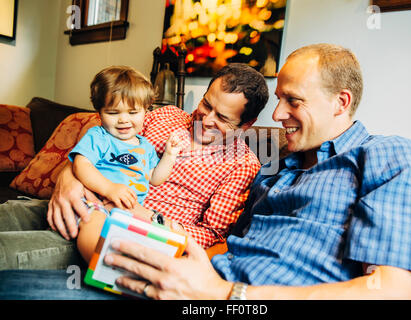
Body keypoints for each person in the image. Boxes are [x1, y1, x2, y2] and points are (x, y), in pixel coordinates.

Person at [84, 44, 411, 299]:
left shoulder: (389, 156)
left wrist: (223, 294)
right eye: (279, 100)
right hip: (190, 283)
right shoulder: (275, 171)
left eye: (293, 100)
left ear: (341, 102)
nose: (277, 115)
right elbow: (223, 243)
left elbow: (397, 292)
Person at [0, 63, 268, 270]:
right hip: (84, 198)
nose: (205, 119)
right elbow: (107, 135)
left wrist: (150, 219)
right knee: (9, 213)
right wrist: (67, 177)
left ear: (247, 124)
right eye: (206, 104)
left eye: (222, 117)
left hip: (120, 231)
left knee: (6, 252)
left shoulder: (241, 165)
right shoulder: (168, 115)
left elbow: (212, 234)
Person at [70, 66, 182, 211]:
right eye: (112, 113)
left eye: (133, 112)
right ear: (99, 112)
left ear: (145, 110)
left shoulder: (146, 146)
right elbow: (81, 165)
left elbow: (154, 178)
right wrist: (109, 189)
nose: (123, 120)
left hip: (128, 213)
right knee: (93, 227)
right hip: (94, 204)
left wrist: (169, 155)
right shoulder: (99, 136)